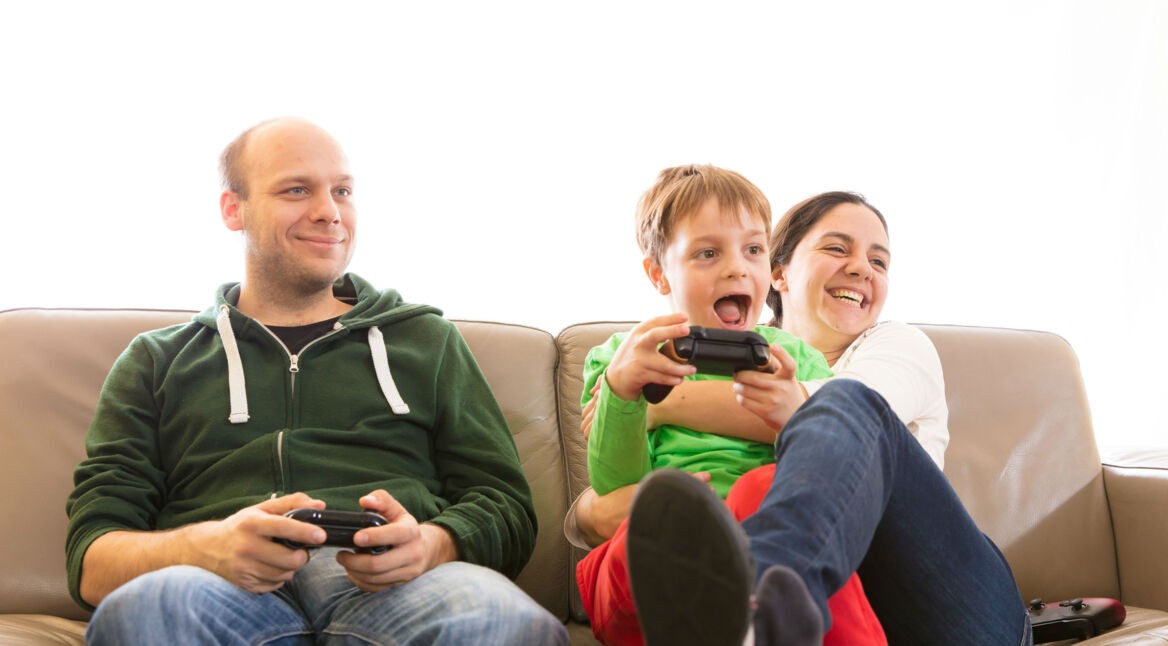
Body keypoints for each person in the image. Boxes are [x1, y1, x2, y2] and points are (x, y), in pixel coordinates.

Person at [64, 117, 568, 645]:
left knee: (506, 624)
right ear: (233, 209)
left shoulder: (425, 341)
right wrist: (205, 547)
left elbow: (506, 506)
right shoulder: (156, 360)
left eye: (343, 190)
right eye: (297, 189)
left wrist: (432, 543)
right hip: (216, 588)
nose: (329, 211)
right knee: (146, 612)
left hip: (396, 590)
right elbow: (92, 556)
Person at [622, 192, 1032, 644]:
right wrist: (586, 511)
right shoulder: (726, 350)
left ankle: (754, 602)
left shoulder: (897, 345)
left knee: (848, 402)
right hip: (849, 620)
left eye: (879, 262)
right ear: (778, 272)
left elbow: (817, 409)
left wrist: (656, 405)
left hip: (957, 609)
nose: (862, 268)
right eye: (837, 249)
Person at [570, 167, 888, 646]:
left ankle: (760, 620)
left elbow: (825, 468)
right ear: (659, 273)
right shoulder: (622, 355)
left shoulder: (796, 357)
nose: (737, 268)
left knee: (763, 488)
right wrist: (622, 392)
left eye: (754, 250)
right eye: (707, 253)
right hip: (657, 549)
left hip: (770, 545)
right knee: (654, 521)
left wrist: (789, 412)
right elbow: (615, 487)